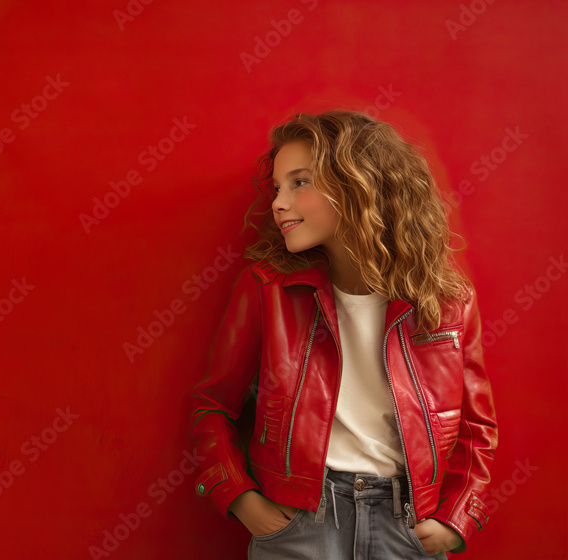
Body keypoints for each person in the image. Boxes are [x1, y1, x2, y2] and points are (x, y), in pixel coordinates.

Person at [189, 110, 498, 558]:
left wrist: (458, 519)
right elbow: (212, 406)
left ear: (360, 183)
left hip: (407, 528)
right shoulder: (268, 288)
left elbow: (476, 428)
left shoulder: (450, 301)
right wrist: (238, 496)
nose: (278, 202)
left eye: (300, 182)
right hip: (298, 523)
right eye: (277, 187)